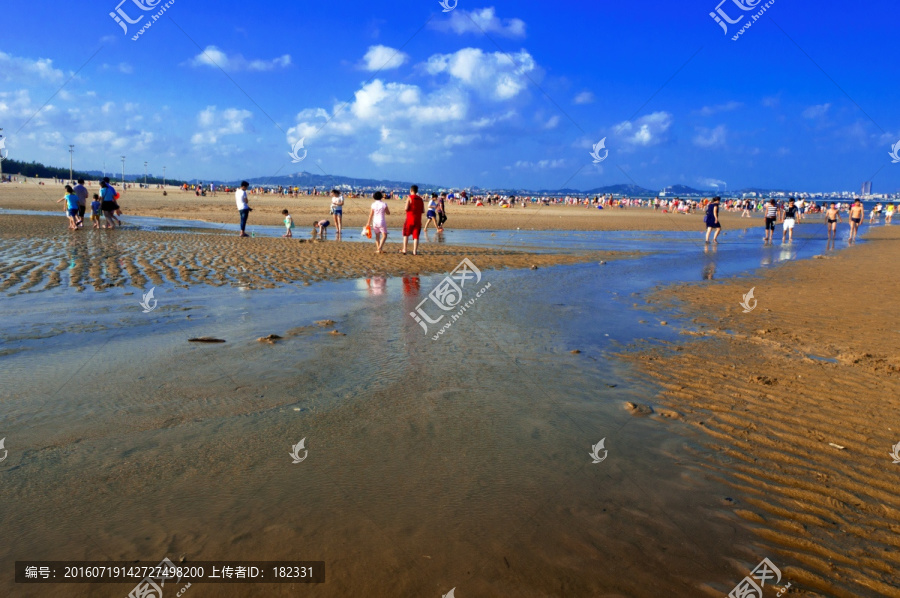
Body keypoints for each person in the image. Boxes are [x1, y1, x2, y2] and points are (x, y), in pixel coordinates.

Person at [401, 184, 425, 255]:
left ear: (411, 190)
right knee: (416, 236)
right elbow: (423, 210)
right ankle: (414, 251)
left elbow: (406, 208)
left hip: (410, 219)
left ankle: (404, 249)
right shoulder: (420, 199)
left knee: (406, 234)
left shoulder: (409, 197)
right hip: (418, 219)